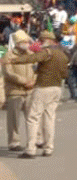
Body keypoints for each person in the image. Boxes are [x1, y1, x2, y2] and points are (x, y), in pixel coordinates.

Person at [9, 30, 69, 159]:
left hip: (43, 88)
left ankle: (30, 149)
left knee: (32, 118)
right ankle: (48, 148)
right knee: (49, 118)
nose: (40, 43)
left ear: (46, 41)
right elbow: (65, 74)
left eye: (41, 41)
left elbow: (32, 58)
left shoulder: (46, 52)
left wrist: (13, 61)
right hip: (57, 88)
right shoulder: (62, 55)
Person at [2, 30, 36, 152]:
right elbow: (8, 73)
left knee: (32, 118)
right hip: (15, 91)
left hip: (30, 90)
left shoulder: (31, 55)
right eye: (24, 42)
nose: (27, 44)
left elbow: (38, 70)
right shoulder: (9, 56)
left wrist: (33, 81)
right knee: (13, 119)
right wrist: (23, 81)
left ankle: (33, 141)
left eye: (27, 41)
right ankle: (14, 142)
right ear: (17, 43)